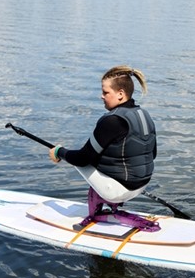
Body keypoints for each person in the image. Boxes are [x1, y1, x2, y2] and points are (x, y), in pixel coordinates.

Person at [48, 65, 159, 232]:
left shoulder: (112, 120)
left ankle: (95, 214)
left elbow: (82, 158)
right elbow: (153, 154)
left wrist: (59, 152)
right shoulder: (145, 115)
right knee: (98, 156)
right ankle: (111, 205)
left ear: (120, 94)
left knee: (82, 161)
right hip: (142, 184)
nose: (101, 96)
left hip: (120, 190)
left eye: (106, 92)